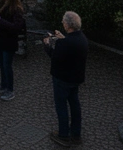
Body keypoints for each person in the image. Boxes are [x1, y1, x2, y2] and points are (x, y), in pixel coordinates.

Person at [45, 10, 88, 147]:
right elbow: (69, 46)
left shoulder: (66, 43)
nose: (62, 23)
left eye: (63, 21)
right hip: (75, 79)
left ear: (68, 25)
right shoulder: (82, 38)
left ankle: (63, 135)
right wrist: (62, 38)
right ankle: (76, 134)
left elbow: (55, 56)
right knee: (75, 105)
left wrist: (48, 44)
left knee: (61, 106)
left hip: (62, 79)